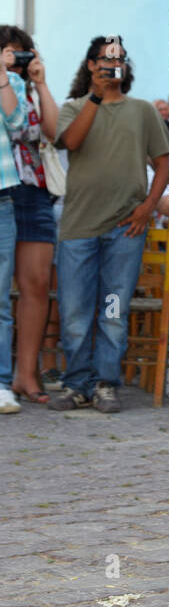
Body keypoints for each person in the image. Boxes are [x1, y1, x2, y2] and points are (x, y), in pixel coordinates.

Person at [48, 37, 169, 414]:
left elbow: (164, 162)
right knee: (74, 312)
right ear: (91, 66)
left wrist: (148, 207)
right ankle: (78, 385)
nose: (111, 64)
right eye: (104, 59)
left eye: (117, 58)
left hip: (125, 229)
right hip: (78, 229)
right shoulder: (73, 108)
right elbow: (71, 141)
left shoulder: (142, 111)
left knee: (114, 310)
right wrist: (97, 97)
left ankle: (105, 384)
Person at [0, 27, 60, 403]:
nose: (14, 58)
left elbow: (52, 132)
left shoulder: (29, 88)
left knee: (35, 283)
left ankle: (25, 375)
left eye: (20, 53)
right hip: (6, 185)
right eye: (7, 51)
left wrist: (40, 82)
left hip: (34, 191)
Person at [0, 59, 25, 414]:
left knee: (1, 302)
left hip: (1, 200)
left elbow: (18, 125)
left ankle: (2, 383)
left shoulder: (12, 81)